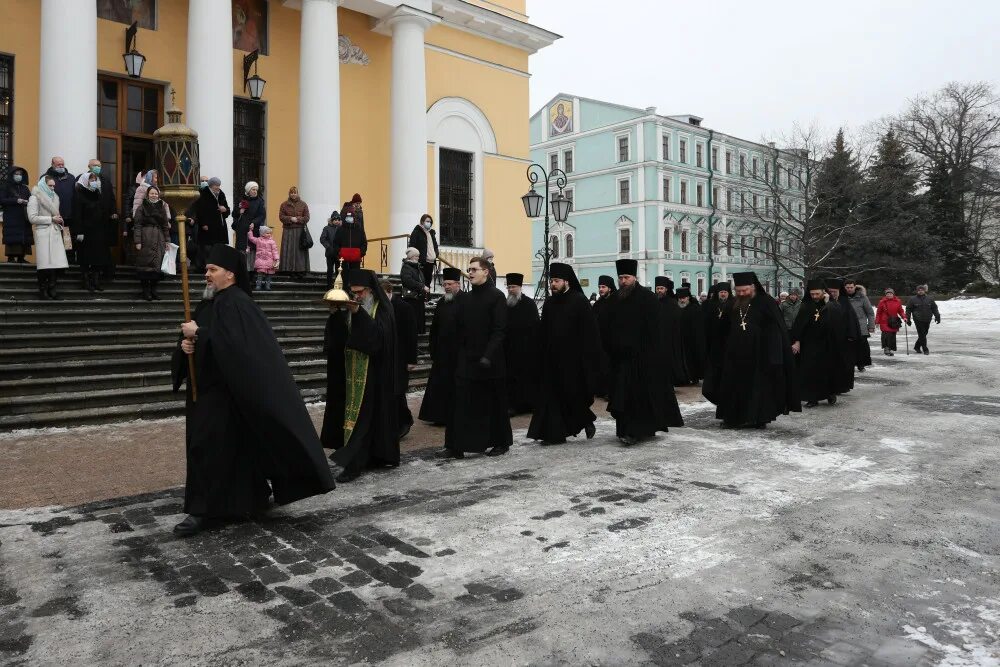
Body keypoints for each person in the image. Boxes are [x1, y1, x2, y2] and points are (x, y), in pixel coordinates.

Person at [171, 244, 335, 537]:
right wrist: (185, 349)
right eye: (207, 269)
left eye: (213, 270)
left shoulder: (239, 304)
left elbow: (241, 350)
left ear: (231, 274)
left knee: (219, 449)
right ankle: (210, 506)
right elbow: (202, 342)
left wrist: (201, 335)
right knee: (207, 448)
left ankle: (210, 509)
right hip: (208, 393)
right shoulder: (209, 303)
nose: (206, 274)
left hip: (230, 396)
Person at [321, 269, 399, 483]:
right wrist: (336, 315)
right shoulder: (353, 307)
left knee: (364, 420)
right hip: (350, 373)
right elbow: (341, 338)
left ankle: (354, 463)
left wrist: (358, 314)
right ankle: (363, 456)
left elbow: (378, 341)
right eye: (353, 292)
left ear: (371, 290)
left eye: (360, 292)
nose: (356, 296)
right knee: (355, 419)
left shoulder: (382, 309)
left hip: (373, 375)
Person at [601, 260, 683, 445]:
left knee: (640, 397)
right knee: (624, 397)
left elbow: (655, 330)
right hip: (621, 359)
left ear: (634, 277)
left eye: (626, 277)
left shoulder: (647, 298)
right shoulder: (615, 299)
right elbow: (607, 327)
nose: (623, 281)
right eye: (620, 278)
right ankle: (625, 429)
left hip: (643, 358)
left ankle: (637, 431)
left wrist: (652, 354)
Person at [439, 257, 511, 459]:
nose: (470, 272)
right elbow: (458, 329)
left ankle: (501, 442)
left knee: (494, 404)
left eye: (474, 269)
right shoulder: (465, 298)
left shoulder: (497, 297)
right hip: (467, 360)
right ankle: (455, 445)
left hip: (490, 362)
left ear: (486, 272)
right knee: (460, 402)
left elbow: (499, 330)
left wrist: (488, 355)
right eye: (469, 269)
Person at [710, 272, 799, 429]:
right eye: (738, 291)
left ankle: (757, 418)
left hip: (759, 355)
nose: (742, 294)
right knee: (733, 386)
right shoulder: (732, 304)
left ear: (753, 287)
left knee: (757, 388)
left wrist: (772, 352)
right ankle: (732, 417)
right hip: (734, 355)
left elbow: (776, 329)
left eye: (744, 291)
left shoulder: (767, 302)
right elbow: (722, 329)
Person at [527, 263, 601, 445]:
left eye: (556, 281)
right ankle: (554, 434)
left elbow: (590, 333)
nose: (552, 284)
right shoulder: (550, 302)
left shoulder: (579, 301)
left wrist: (586, 359)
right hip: (552, 358)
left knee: (572, 395)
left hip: (573, 360)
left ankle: (586, 420)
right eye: (551, 281)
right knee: (551, 397)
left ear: (567, 282)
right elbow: (544, 330)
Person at [790, 279, 847, 408]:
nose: (814, 296)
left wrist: (828, 303)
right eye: (812, 294)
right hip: (809, 344)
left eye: (817, 294)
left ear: (824, 292)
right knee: (810, 371)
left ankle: (830, 393)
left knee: (827, 370)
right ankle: (812, 398)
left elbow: (837, 320)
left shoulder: (832, 304)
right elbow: (798, 325)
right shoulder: (806, 305)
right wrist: (796, 341)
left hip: (828, 344)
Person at [418, 268, 464, 426]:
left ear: (458, 284)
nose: (447, 287)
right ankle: (439, 416)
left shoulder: (466, 301)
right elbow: (435, 328)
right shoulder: (442, 302)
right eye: (445, 284)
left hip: (458, 353)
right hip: (442, 352)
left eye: (450, 284)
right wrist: (432, 348)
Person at [381, 279, 418, 440]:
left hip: (401, 357)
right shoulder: (381, 306)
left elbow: (411, 336)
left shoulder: (404, 307)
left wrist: (411, 360)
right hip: (387, 356)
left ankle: (404, 421)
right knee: (391, 391)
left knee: (398, 391)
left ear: (389, 292)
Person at [503, 272, 540, 416]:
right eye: (509, 287)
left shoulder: (529, 304)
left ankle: (528, 404)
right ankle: (513, 405)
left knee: (526, 378)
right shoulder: (506, 304)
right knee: (511, 379)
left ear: (520, 287)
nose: (510, 290)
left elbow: (535, 326)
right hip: (509, 348)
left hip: (526, 348)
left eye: (513, 287)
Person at [71, 172, 115, 292]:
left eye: (95, 180)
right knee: (85, 258)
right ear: (86, 181)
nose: (94, 182)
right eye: (91, 180)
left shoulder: (97, 194)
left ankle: (96, 281)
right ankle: (85, 281)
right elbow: (77, 215)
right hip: (85, 232)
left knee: (98, 258)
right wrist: (79, 232)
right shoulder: (79, 195)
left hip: (99, 232)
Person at [27, 174, 69, 299]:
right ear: (43, 185)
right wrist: (51, 219)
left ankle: (52, 287)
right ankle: (42, 289)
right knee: (44, 264)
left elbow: (55, 214)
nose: (52, 188)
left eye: (53, 186)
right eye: (49, 185)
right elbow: (32, 218)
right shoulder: (35, 198)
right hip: (43, 233)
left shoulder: (55, 197)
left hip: (55, 232)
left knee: (56, 264)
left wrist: (58, 219)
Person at [132, 185, 171, 301]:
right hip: (146, 237)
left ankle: (154, 290)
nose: (154, 195)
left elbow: (165, 226)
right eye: (152, 193)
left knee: (157, 265)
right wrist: (137, 241)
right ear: (147, 194)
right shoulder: (141, 207)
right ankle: (146, 291)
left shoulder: (162, 207)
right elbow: (137, 225)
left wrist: (167, 241)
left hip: (159, 238)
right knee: (145, 265)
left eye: (156, 193)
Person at [87, 159, 119, 281]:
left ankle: (107, 273)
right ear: (89, 166)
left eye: (99, 166)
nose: (97, 167)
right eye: (95, 165)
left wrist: (113, 212)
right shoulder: (84, 179)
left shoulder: (106, 180)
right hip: (91, 221)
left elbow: (111, 198)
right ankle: (91, 275)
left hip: (105, 221)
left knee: (105, 248)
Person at [190, 177, 230, 271]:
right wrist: (203, 223)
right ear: (211, 185)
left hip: (220, 226)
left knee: (218, 248)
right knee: (206, 248)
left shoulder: (221, 194)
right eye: (216, 185)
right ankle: (204, 267)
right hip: (207, 226)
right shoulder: (203, 194)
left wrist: (225, 210)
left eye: (219, 185)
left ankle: (216, 266)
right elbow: (200, 210)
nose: (218, 187)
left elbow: (227, 210)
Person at [701, 282, 732, 405]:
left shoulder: (733, 304)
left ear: (728, 293)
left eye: (725, 292)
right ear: (718, 293)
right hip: (714, 343)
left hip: (729, 344)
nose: (723, 294)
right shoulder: (710, 305)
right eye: (721, 292)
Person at [654, 277, 687, 386]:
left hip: (669, 338)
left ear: (666, 289)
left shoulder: (672, 303)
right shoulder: (653, 302)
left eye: (661, 288)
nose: (659, 290)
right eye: (658, 288)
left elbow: (677, 322)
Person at [827, 279, 858, 393]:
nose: (833, 294)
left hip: (844, 339)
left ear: (839, 291)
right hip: (829, 338)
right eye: (830, 291)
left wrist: (851, 335)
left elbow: (851, 320)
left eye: (835, 291)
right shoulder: (825, 302)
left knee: (844, 364)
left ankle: (843, 386)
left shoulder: (844, 302)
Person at [234, 181, 266, 289]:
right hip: (242, 230)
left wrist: (254, 222)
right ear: (248, 190)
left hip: (254, 231)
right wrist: (240, 211)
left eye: (256, 189)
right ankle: (242, 276)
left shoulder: (260, 201)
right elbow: (234, 214)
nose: (255, 191)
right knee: (242, 252)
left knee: (252, 253)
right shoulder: (241, 200)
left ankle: (252, 277)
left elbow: (262, 215)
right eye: (253, 189)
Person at [44, 157, 76, 261]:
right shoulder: (45, 178)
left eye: (62, 164)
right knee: (54, 241)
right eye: (59, 165)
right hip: (53, 217)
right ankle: (56, 262)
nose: (61, 166)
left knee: (68, 241)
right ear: (52, 164)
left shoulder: (71, 178)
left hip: (68, 216)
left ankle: (69, 260)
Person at [592, 275, 617, 399]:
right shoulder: (597, 304)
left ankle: (610, 391)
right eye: (599, 287)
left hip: (613, 342)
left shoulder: (617, 302)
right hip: (600, 342)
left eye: (603, 287)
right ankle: (601, 389)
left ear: (610, 288)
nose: (601, 289)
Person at [675, 287, 706, 385]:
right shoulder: (676, 308)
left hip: (692, 339)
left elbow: (699, 326)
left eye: (684, 298)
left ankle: (694, 377)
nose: (682, 300)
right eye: (680, 298)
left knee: (692, 360)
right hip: (678, 339)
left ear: (688, 298)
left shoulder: (695, 308)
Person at [1, 166, 32, 262]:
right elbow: (2, 200)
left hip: (23, 216)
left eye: (20, 174)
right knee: (12, 236)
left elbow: (30, 199)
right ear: (12, 175)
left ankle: (21, 257)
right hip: (11, 216)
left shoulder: (25, 188)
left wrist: (28, 201)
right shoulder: (5, 186)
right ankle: (11, 257)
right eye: (16, 174)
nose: (19, 176)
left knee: (24, 236)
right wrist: (16, 200)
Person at [278, 186, 310, 279]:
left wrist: (298, 219)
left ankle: (300, 270)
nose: (293, 194)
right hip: (288, 230)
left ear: (297, 193)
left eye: (295, 192)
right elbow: (281, 217)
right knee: (289, 250)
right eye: (291, 193)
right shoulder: (284, 204)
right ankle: (287, 269)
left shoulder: (303, 204)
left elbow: (307, 217)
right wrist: (290, 218)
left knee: (299, 252)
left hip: (300, 231)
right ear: (289, 193)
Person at [844, 280, 875, 372]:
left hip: (861, 327)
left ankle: (861, 365)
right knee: (848, 347)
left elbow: (870, 313)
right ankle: (849, 364)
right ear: (844, 288)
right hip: (847, 327)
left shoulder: (862, 297)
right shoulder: (842, 297)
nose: (849, 289)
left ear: (854, 287)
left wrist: (871, 325)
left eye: (851, 287)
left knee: (861, 347)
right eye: (847, 287)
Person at [400, 247, 429, 335]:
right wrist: (422, 286)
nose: (418, 258)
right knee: (412, 325)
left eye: (418, 256)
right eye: (416, 256)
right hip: (411, 299)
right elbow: (407, 281)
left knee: (417, 326)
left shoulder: (417, 267)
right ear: (411, 257)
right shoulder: (406, 267)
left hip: (418, 299)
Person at [333, 207, 366, 283]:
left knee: (355, 277)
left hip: (355, 259)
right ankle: (344, 293)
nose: (349, 218)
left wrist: (361, 253)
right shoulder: (340, 230)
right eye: (348, 217)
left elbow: (364, 242)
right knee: (343, 277)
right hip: (343, 260)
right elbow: (335, 243)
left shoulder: (359, 230)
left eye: (351, 217)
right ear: (345, 218)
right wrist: (339, 252)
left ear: (354, 218)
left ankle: (353, 293)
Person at [906, 284, 940, 355]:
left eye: (922, 290)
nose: (920, 291)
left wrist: (937, 316)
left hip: (927, 319)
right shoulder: (912, 299)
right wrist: (908, 318)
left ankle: (917, 346)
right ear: (917, 291)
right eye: (919, 290)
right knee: (922, 334)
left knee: (924, 333)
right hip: (918, 319)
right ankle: (925, 349)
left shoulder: (930, 299)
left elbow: (934, 308)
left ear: (924, 290)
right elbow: (908, 309)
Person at [408, 213, 439, 288]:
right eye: (427, 221)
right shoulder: (417, 232)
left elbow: (435, 245)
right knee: (421, 282)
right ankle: (422, 298)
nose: (429, 223)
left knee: (428, 282)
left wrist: (436, 253)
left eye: (430, 222)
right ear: (422, 222)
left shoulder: (431, 233)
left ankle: (427, 298)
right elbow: (412, 246)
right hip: (422, 262)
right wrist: (415, 258)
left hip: (431, 262)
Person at [875, 288, 906, 356]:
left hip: (893, 321)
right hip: (884, 321)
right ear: (885, 294)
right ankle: (886, 348)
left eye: (890, 293)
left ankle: (890, 348)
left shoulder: (897, 301)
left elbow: (901, 311)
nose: (889, 295)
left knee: (892, 335)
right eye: (887, 294)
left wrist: (904, 317)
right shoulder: (882, 302)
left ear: (893, 294)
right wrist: (877, 322)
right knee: (886, 335)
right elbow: (878, 313)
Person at [247, 225, 280, 291]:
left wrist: (276, 258)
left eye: (270, 233)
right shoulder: (258, 240)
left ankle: (267, 286)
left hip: (270, 260)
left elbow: (275, 250)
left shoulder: (272, 242)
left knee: (269, 275)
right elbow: (251, 238)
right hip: (261, 260)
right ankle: (258, 286)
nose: (269, 234)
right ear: (262, 233)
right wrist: (250, 230)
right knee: (260, 274)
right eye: (267, 233)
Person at [320, 211, 342, 288]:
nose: (337, 221)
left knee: (338, 270)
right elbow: (322, 239)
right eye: (335, 220)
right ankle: (329, 286)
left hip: (339, 254)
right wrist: (328, 247)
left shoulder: (341, 229)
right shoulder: (327, 228)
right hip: (330, 253)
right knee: (330, 270)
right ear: (332, 220)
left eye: (338, 220)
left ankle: (337, 285)